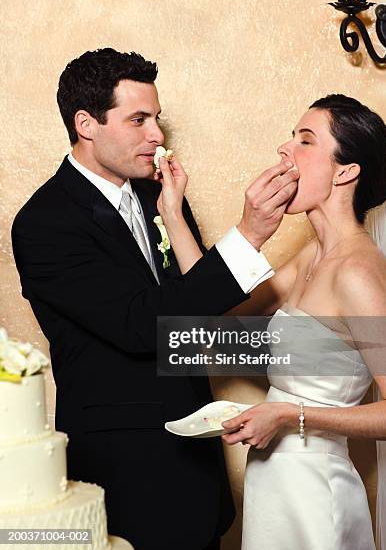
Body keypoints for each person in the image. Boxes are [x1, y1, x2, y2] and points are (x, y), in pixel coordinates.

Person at [11, 48, 299, 550]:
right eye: (138, 119)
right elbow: (143, 326)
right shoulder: (45, 222)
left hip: (198, 464)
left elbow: (202, 309)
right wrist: (247, 235)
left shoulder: (159, 196)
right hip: (127, 470)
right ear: (86, 124)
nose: (157, 136)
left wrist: (177, 217)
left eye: (157, 119)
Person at [157, 94, 386, 549]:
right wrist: (173, 215)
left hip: (316, 491)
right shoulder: (313, 255)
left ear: (344, 171)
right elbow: (214, 321)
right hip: (274, 483)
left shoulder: (359, 271)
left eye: (305, 140)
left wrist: (289, 415)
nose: (284, 150)